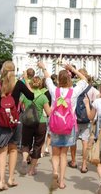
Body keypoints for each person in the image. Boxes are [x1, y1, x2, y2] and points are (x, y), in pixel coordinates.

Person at [0, 60, 35, 191]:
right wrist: (26, 80)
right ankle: (11, 178)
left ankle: (1, 181)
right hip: (15, 119)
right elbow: (31, 96)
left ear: (2, 70)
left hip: (1, 119)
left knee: (2, 150)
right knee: (13, 149)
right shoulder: (19, 84)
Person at [39, 61, 88, 190]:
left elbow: (47, 78)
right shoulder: (74, 91)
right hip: (68, 126)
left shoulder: (54, 91)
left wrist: (44, 67)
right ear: (69, 79)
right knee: (63, 155)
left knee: (55, 152)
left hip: (55, 125)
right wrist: (72, 68)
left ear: (59, 80)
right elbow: (84, 79)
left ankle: (54, 171)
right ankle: (61, 181)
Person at [19, 76, 51, 176]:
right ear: (40, 84)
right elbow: (48, 112)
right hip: (40, 122)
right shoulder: (43, 96)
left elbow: (19, 105)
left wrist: (26, 109)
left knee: (25, 143)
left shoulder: (26, 94)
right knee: (37, 146)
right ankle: (32, 170)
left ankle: (24, 159)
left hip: (28, 122)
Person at [69, 68, 100, 174]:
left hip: (75, 119)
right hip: (86, 119)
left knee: (73, 142)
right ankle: (84, 165)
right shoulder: (91, 89)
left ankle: (73, 161)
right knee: (85, 143)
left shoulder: (75, 87)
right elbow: (98, 98)